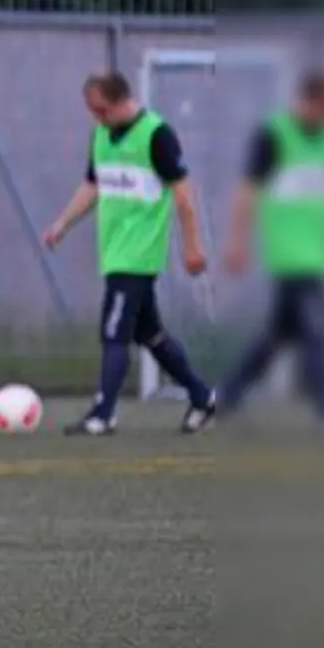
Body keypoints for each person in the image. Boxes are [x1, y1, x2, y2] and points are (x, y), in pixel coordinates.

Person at [43, 71, 217, 436]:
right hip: (114, 252)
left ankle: (103, 414)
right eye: (92, 112)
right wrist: (62, 224)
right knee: (150, 334)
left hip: (138, 256)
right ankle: (202, 396)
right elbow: (93, 186)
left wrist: (192, 246)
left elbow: (184, 196)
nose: (97, 118)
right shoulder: (101, 136)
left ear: (122, 100)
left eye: (102, 110)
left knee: (114, 331)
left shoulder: (157, 135)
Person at [211, 71, 324, 436]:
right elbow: (247, 191)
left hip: (314, 253)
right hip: (288, 255)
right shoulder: (273, 135)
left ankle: (228, 394)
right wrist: (237, 242)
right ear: (311, 102)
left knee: (277, 336)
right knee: (316, 331)